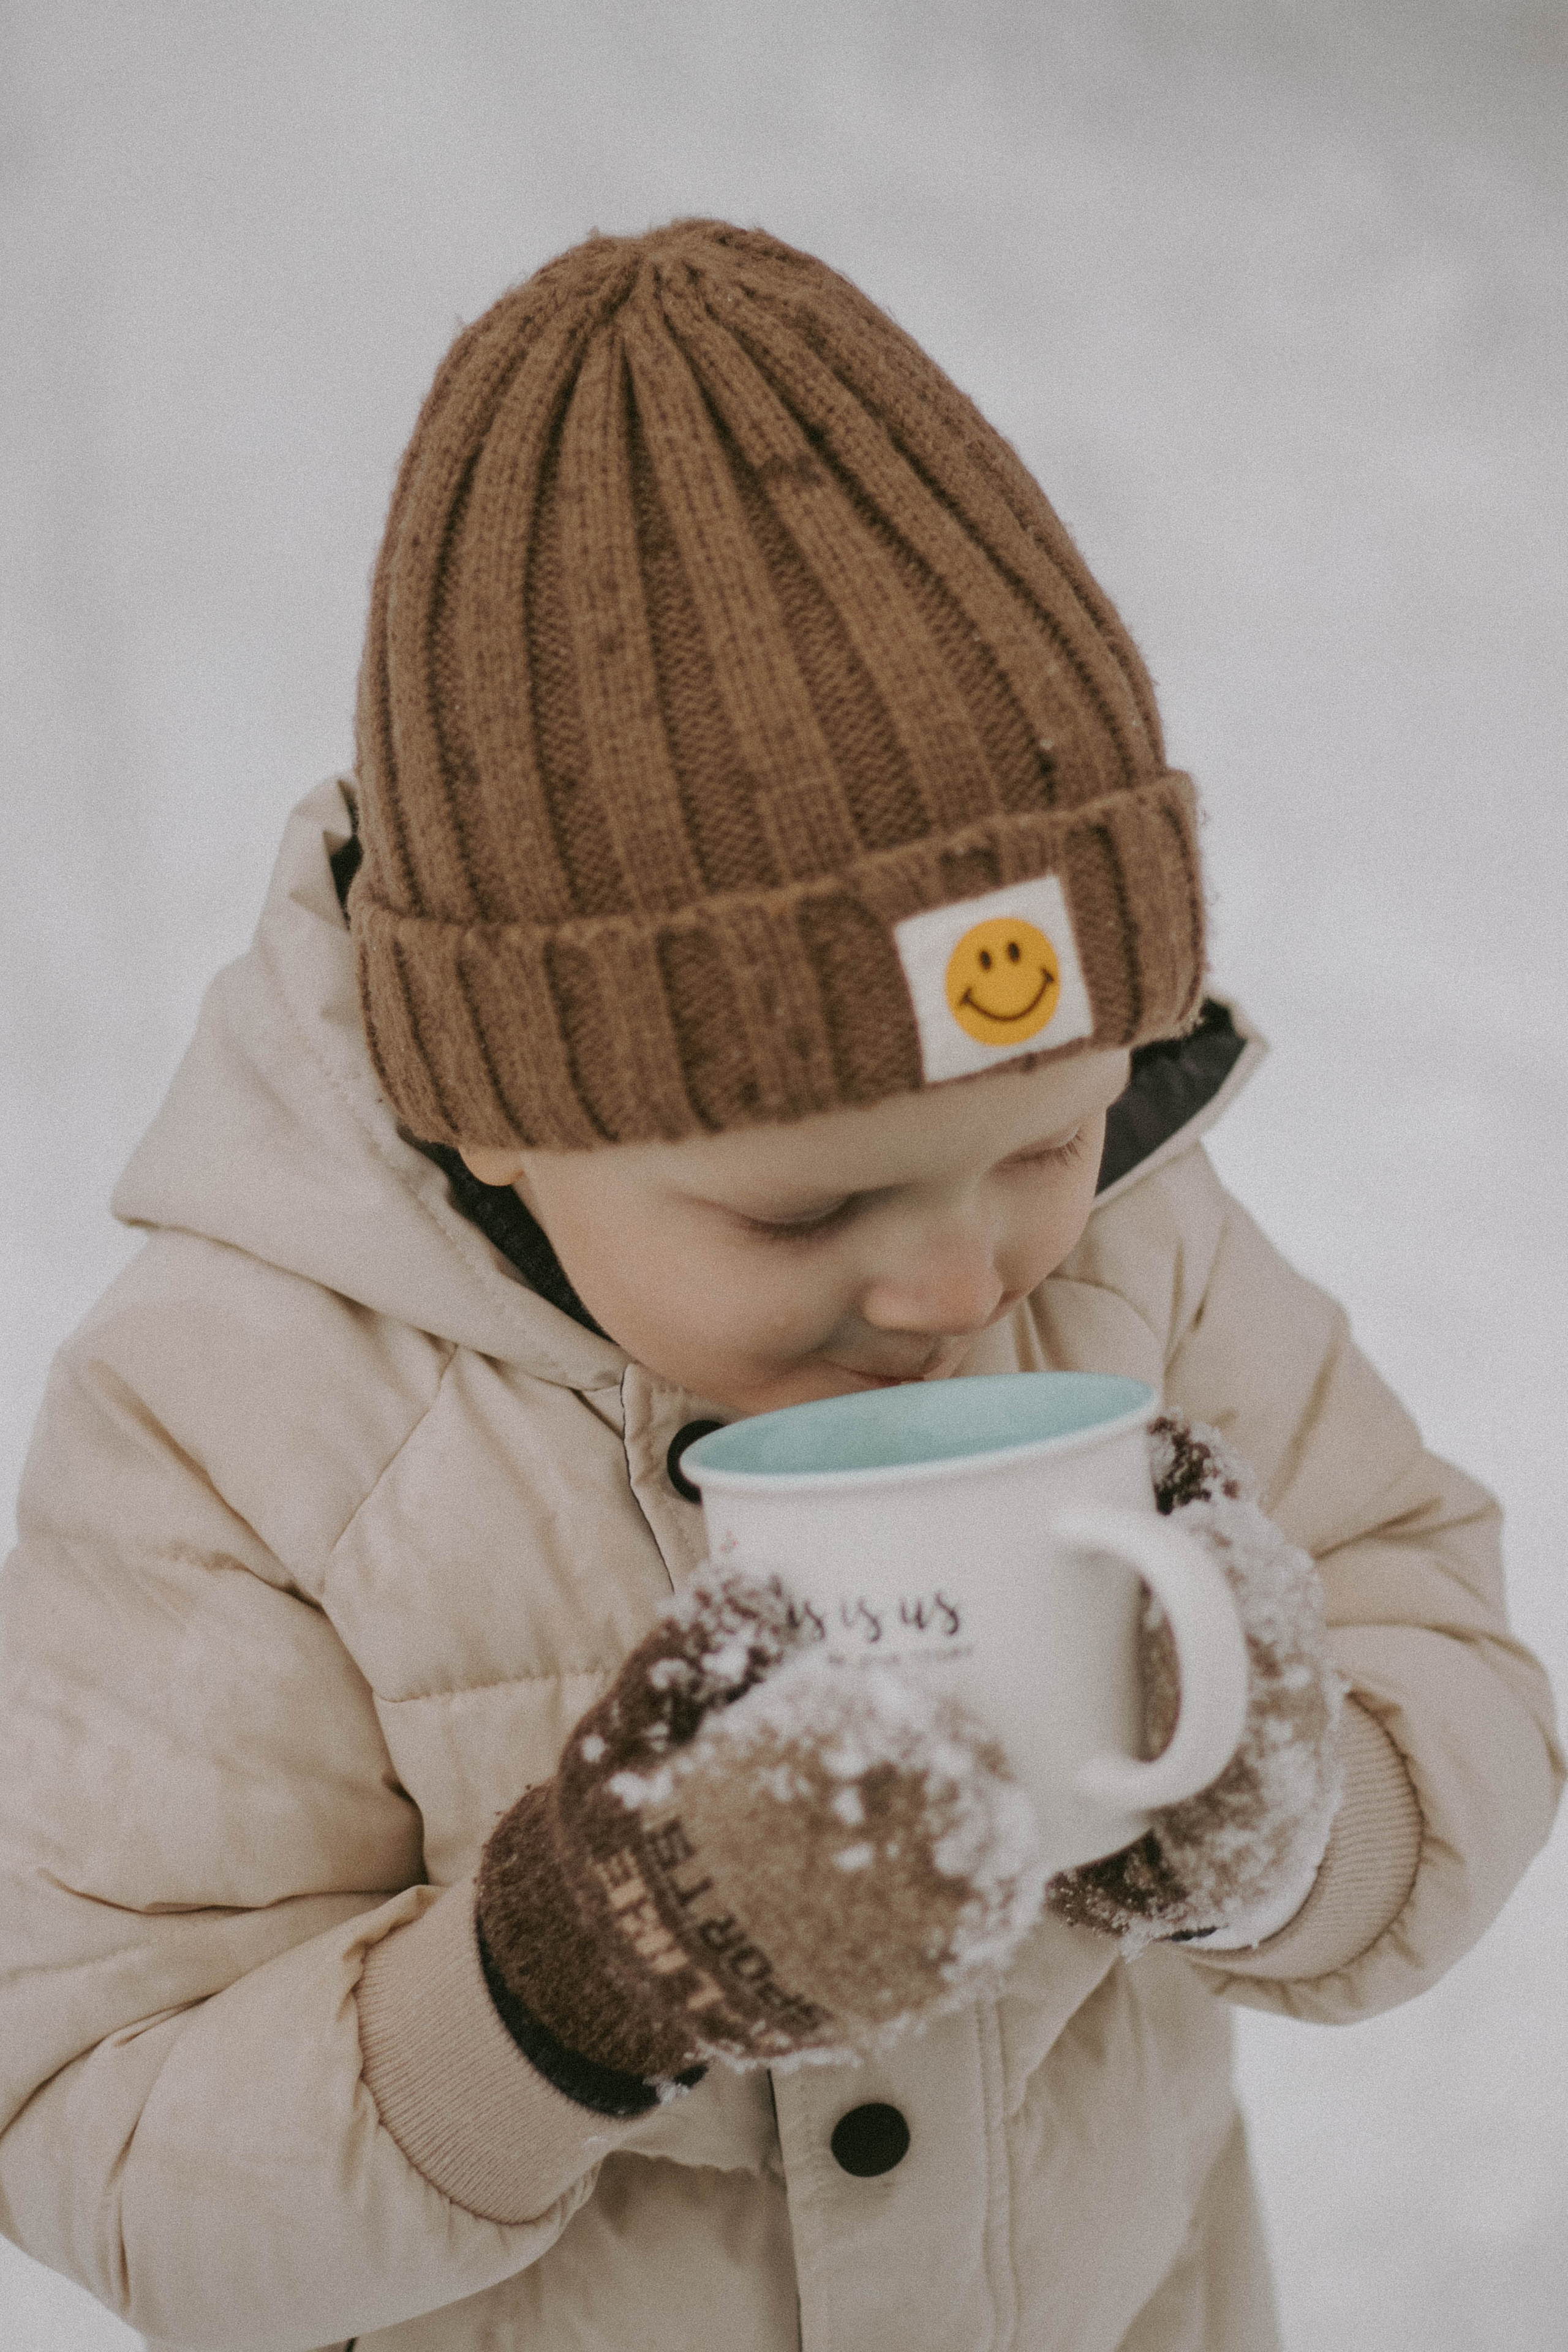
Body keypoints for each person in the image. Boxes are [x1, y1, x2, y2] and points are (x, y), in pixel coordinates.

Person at [0, 219, 1558, 2352]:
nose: (956, 1274)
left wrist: (1292, 1808)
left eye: (1039, 1137)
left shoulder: (1148, 1258)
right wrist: (553, 1989)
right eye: (802, 1219)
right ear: (491, 1112)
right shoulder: (247, 1430)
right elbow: (100, 2124)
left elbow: (1437, 1634)